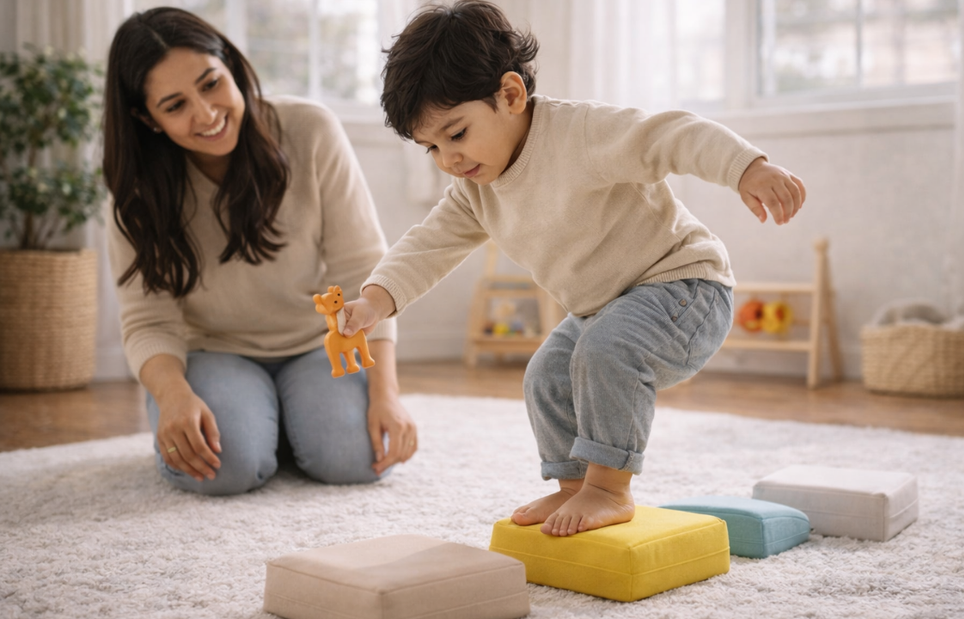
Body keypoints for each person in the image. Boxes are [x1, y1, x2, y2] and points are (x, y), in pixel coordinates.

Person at [343, 0, 806, 535]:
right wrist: (376, 299)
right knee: (546, 374)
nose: (448, 158)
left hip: (685, 288)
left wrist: (747, 166)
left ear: (510, 95)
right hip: (602, 310)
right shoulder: (475, 189)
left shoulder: (582, 133)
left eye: (457, 133)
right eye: (430, 148)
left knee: (605, 349)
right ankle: (573, 488)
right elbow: (429, 245)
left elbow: (673, 135)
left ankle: (610, 489)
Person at [102, 7, 417, 496]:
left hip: (316, 345)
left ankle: (277, 422)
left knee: (356, 459)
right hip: (213, 351)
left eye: (210, 84)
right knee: (224, 469)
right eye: (175, 105)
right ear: (148, 119)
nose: (206, 114)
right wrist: (174, 397)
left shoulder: (310, 129)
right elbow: (148, 321)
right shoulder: (136, 193)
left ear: (231, 65)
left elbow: (364, 272)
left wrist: (387, 395)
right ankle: (262, 425)